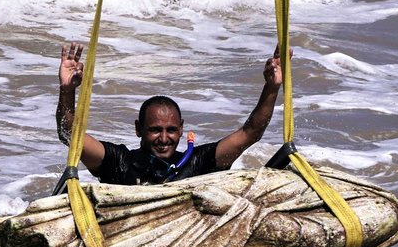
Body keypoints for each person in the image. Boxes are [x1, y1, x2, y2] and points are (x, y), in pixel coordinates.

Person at [56, 42, 289, 185]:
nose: (164, 138)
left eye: (171, 130)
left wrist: (272, 86)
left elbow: (251, 132)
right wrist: (67, 90)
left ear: (181, 130)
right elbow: (71, 136)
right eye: (155, 130)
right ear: (139, 129)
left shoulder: (197, 163)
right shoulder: (120, 162)